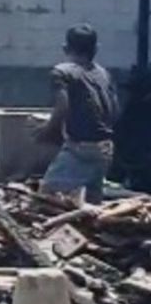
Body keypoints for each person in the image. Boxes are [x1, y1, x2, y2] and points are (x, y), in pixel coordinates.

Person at [33, 24, 120, 203]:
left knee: (46, 197)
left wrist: (47, 131)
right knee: (91, 202)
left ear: (65, 48)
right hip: (105, 147)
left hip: (81, 147)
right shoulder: (103, 74)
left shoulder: (62, 72)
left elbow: (63, 105)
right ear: (96, 49)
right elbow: (115, 108)